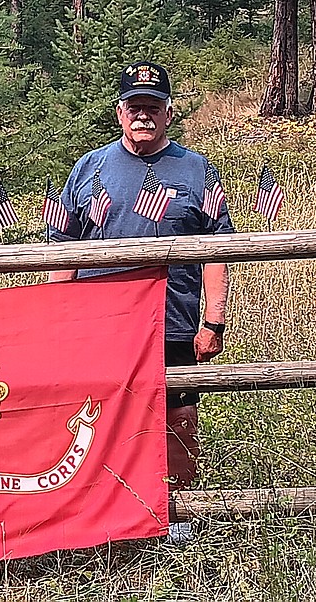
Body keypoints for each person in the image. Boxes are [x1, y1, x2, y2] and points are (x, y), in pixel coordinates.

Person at [47, 61, 233, 499]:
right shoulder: (87, 169)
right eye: (135, 107)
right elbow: (63, 247)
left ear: (169, 113)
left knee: (179, 413)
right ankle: (101, 509)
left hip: (172, 323)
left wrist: (214, 322)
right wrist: (53, 320)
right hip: (98, 325)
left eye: (153, 106)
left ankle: (180, 512)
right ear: (120, 112)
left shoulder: (198, 170)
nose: (143, 115)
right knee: (99, 416)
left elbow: (219, 250)